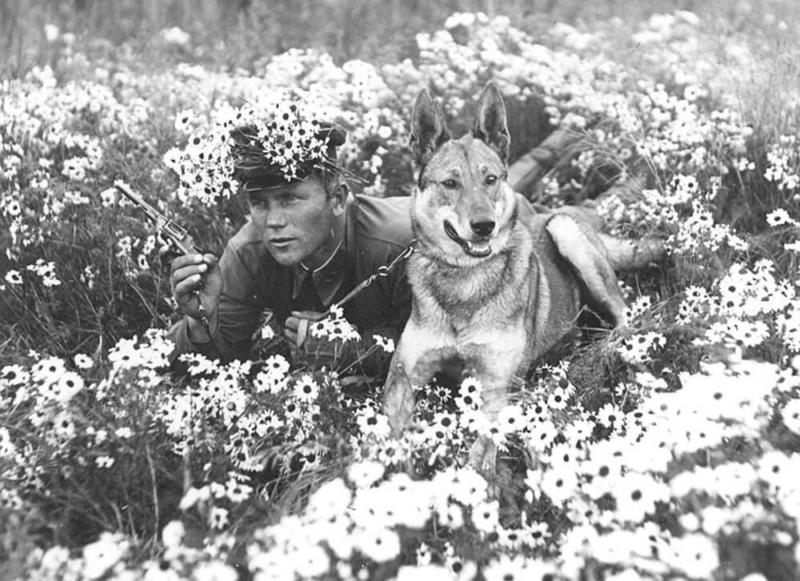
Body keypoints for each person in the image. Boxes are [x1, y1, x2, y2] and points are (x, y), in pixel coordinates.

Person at [166, 121, 413, 378]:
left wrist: (355, 352)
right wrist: (201, 322)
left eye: (289, 199)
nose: (273, 221)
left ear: (337, 199)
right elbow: (216, 360)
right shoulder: (249, 251)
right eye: (259, 203)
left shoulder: (403, 246)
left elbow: (451, 352)